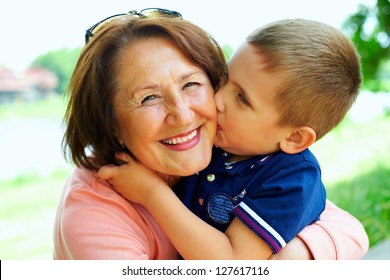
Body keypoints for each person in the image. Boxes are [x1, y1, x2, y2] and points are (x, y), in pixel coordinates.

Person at [54, 9, 368, 260]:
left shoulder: (273, 167)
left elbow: (346, 227)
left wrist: (299, 257)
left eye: (192, 84)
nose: (214, 103)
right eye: (148, 97)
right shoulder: (94, 210)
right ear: (108, 120)